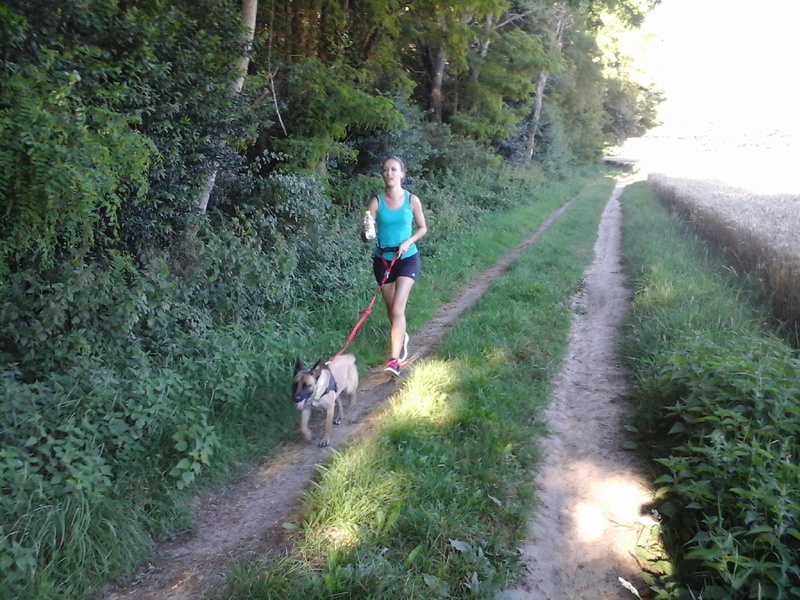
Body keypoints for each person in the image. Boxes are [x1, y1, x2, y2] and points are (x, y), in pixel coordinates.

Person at [362, 156, 428, 377]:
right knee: (392, 311)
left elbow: (422, 228)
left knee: (398, 308)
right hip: (383, 261)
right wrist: (366, 231)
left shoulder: (412, 200)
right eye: (385, 170)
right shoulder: (376, 202)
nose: (389, 173)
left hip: (407, 258)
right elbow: (366, 235)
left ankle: (394, 360)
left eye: (393, 169)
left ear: (402, 174)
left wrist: (408, 241)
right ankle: (402, 337)